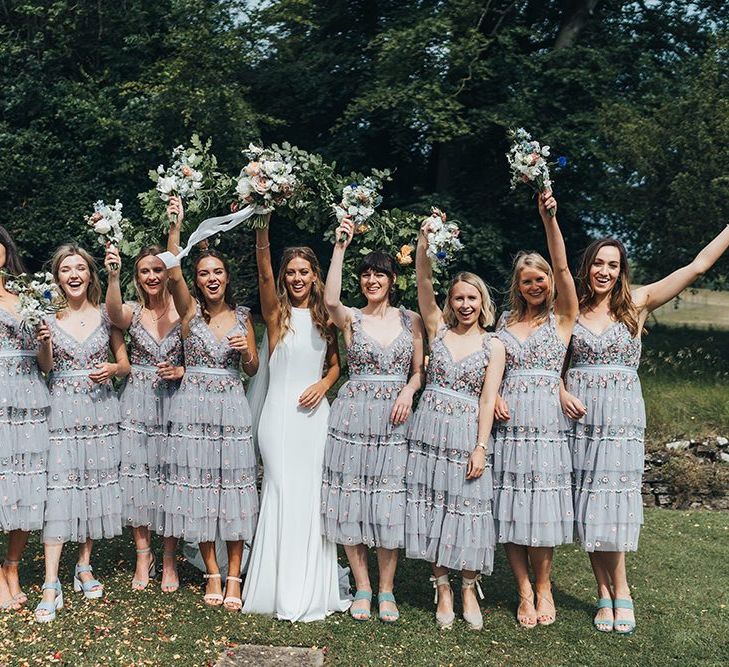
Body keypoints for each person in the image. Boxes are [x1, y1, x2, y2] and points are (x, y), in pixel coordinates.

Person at [560, 225, 729, 635]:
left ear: (622, 271)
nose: (604, 271)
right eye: (598, 263)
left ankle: (623, 591)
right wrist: (561, 391)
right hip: (581, 419)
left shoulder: (639, 301)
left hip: (621, 419)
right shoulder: (569, 310)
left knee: (612, 505)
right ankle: (605, 593)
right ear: (587, 267)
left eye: (613, 265)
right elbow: (551, 367)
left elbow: (698, 265)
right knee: (589, 506)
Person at [242, 220, 351, 622]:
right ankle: (276, 588)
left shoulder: (326, 317)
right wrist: (262, 225)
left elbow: (337, 364)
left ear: (314, 276)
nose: (296, 278)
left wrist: (324, 384)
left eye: (303, 271)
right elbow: (263, 271)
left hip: (314, 418)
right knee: (282, 491)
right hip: (278, 419)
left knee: (309, 499)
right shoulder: (275, 314)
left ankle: (310, 586)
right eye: (291, 272)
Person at [321, 216, 425, 623]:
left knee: (387, 501)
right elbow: (330, 300)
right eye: (365, 275)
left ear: (391, 279)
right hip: (353, 413)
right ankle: (362, 586)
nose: (371, 280)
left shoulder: (410, 320)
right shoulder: (351, 318)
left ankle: (386, 588)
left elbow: (418, 371)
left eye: (379, 274)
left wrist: (408, 389)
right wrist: (340, 246)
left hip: (395, 418)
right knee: (352, 498)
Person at [405, 210, 505, 630]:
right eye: (459, 298)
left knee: (467, 508)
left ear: (483, 302)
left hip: (466, 431)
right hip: (429, 427)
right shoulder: (438, 330)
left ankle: (468, 586)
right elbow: (422, 282)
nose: (465, 305)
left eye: (472, 298)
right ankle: (442, 585)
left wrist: (481, 446)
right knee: (432, 506)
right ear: (452, 302)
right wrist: (424, 240)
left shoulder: (494, 345)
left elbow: (487, 401)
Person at [159, 196, 259, 610]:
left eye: (217, 272)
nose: (211, 278)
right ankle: (212, 572)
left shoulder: (243, 316)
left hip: (231, 406)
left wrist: (245, 352)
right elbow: (171, 265)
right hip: (193, 407)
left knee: (233, 488)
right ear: (197, 281)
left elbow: (252, 369)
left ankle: (235, 575)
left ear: (227, 276)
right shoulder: (189, 313)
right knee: (200, 487)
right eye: (204, 273)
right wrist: (177, 226)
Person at [491, 191, 578, 628]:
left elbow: (564, 268)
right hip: (508, 425)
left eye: (540, 278)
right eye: (527, 280)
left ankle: (544, 588)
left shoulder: (563, 317)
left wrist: (549, 220)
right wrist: (497, 395)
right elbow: (489, 368)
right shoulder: (504, 324)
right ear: (518, 285)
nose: (535, 285)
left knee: (540, 508)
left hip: (545, 422)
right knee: (509, 506)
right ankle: (523, 590)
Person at [36, 245, 129, 622]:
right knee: (60, 490)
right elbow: (45, 367)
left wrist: (111, 369)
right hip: (61, 409)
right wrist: (44, 343)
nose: (73, 275)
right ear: (57, 277)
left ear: (90, 275)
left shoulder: (106, 318)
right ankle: (50, 582)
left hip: (100, 410)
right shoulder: (47, 316)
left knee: (92, 485)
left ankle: (84, 565)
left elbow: (125, 363)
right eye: (65, 270)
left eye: (80, 268)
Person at [105, 244, 184, 592]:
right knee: (138, 478)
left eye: (157, 270)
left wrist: (180, 370)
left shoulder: (184, 310)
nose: (152, 276)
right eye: (144, 271)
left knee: (171, 477)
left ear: (167, 273)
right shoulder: (132, 312)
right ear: (136, 278)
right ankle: (143, 554)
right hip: (138, 400)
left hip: (175, 401)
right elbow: (111, 313)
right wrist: (111, 274)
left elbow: (197, 357)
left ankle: (168, 559)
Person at [0, 226, 51, 612]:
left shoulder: (29, 296)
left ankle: (12, 567)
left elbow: (45, 364)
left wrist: (46, 340)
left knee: (27, 484)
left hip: (29, 393)